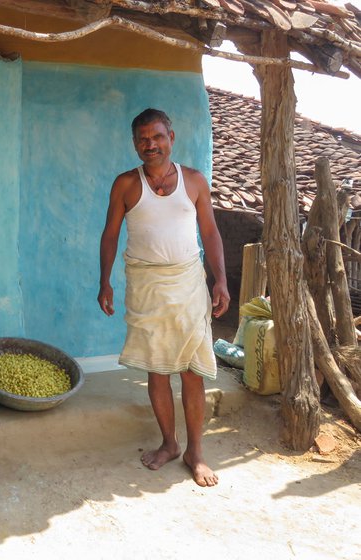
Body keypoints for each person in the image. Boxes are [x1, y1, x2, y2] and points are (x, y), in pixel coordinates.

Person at [97, 108, 229, 487]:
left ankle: (196, 452)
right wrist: (104, 281)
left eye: (157, 137)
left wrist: (220, 280)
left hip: (188, 282)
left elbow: (211, 233)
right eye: (142, 139)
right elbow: (110, 235)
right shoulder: (125, 184)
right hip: (146, 284)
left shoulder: (194, 181)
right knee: (157, 367)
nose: (150, 145)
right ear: (135, 144)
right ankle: (169, 443)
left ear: (171, 137)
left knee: (190, 369)